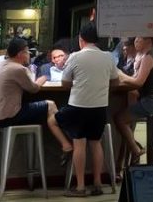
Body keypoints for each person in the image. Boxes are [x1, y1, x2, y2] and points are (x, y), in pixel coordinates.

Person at [55, 22, 119, 197]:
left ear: (81, 40)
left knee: (79, 144)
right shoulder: (108, 57)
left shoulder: (75, 57)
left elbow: (65, 83)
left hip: (78, 106)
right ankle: (98, 183)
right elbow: (116, 82)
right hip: (99, 107)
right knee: (95, 143)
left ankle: (81, 186)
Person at [0, 38, 73, 164]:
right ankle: (67, 143)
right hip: (11, 116)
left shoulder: (0, 65)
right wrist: (43, 78)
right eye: (27, 51)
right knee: (50, 105)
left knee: (45, 108)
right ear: (20, 54)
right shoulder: (17, 69)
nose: (30, 54)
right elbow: (33, 88)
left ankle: (66, 144)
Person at [114, 36, 153, 170]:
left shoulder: (149, 57)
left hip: (152, 101)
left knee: (120, 119)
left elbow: (138, 82)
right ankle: (148, 160)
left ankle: (135, 149)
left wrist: (120, 75)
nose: (136, 41)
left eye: (139, 39)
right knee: (147, 137)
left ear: (148, 40)